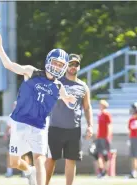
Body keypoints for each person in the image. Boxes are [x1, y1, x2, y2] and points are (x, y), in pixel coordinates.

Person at [0, 32, 76, 185]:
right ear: (48, 61)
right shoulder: (32, 72)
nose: (57, 66)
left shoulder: (59, 86)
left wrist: (70, 100)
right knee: (14, 162)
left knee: (40, 158)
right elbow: (9, 65)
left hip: (40, 126)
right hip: (20, 122)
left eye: (60, 65)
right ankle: (29, 170)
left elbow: (67, 99)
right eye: (55, 62)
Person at [45, 54, 93, 185]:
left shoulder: (83, 86)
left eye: (76, 64)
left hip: (74, 129)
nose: (73, 67)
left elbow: (87, 108)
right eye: (70, 64)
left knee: (71, 160)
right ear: (66, 66)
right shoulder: (56, 82)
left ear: (79, 66)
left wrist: (90, 126)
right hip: (55, 127)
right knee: (50, 159)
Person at [96, 99, 112, 178]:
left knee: (105, 155)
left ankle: (105, 172)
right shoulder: (99, 114)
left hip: (104, 137)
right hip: (99, 137)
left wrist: (108, 137)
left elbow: (109, 126)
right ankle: (101, 170)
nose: (99, 106)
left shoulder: (107, 114)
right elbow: (99, 127)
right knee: (98, 154)